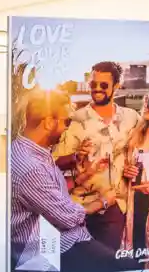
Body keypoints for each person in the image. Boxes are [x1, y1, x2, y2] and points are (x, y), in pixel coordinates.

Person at [11, 88, 137, 272]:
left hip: (62, 241)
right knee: (130, 270)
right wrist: (104, 201)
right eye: (66, 122)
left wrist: (84, 176)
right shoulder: (31, 167)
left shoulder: (29, 151)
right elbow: (68, 217)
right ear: (49, 123)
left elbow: (48, 195)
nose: (67, 128)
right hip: (52, 252)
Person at [54, 61, 140, 251]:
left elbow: (146, 150)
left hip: (115, 208)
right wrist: (76, 155)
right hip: (82, 207)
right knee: (80, 262)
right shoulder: (76, 119)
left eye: (103, 85)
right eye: (93, 84)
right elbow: (54, 163)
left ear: (116, 86)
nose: (97, 89)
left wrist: (135, 169)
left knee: (107, 263)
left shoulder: (131, 118)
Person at [121, 86, 149, 268]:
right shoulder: (135, 134)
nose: (146, 106)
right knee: (135, 246)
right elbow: (126, 165)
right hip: (135, 201)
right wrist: (127, 171)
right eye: (146, 101)